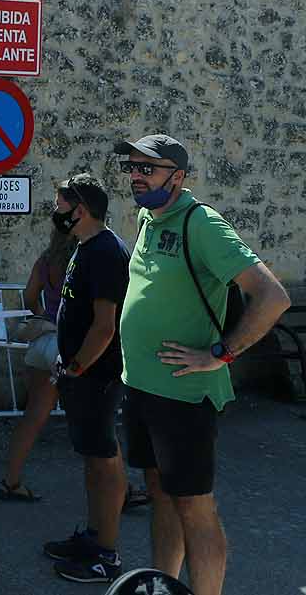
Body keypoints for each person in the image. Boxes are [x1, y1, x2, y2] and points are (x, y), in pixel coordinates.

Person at [114, 133, 289, 595]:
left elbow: (273, 297)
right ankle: (162, 588)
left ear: (178, 176)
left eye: (146, 169)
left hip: (184, 393)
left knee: (195, 506)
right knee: (161, 496)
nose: (136, 176)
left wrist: (221, 354)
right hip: (143, 386)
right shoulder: (149, 218)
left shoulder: (202, 223)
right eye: (131, 167)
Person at [42, 173, 131, 584]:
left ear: (81, 210)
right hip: (82, 373)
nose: (55, 214)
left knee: (104, 458)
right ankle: (95, 538)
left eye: (60, 207)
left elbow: (104, 326)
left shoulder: (106, 252)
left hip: (99, 375)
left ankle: (106, 556)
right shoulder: (85, 246)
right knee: (93, 460)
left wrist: (76, 366)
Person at [0, 226, 70, 503]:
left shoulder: (46, 259)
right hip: (71, 346)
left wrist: (45, 319)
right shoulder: (85, 258)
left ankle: (11, 480)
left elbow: (29, 298)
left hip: (43, 341)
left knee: (33, 416)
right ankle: (117, 491)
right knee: (97, 423)